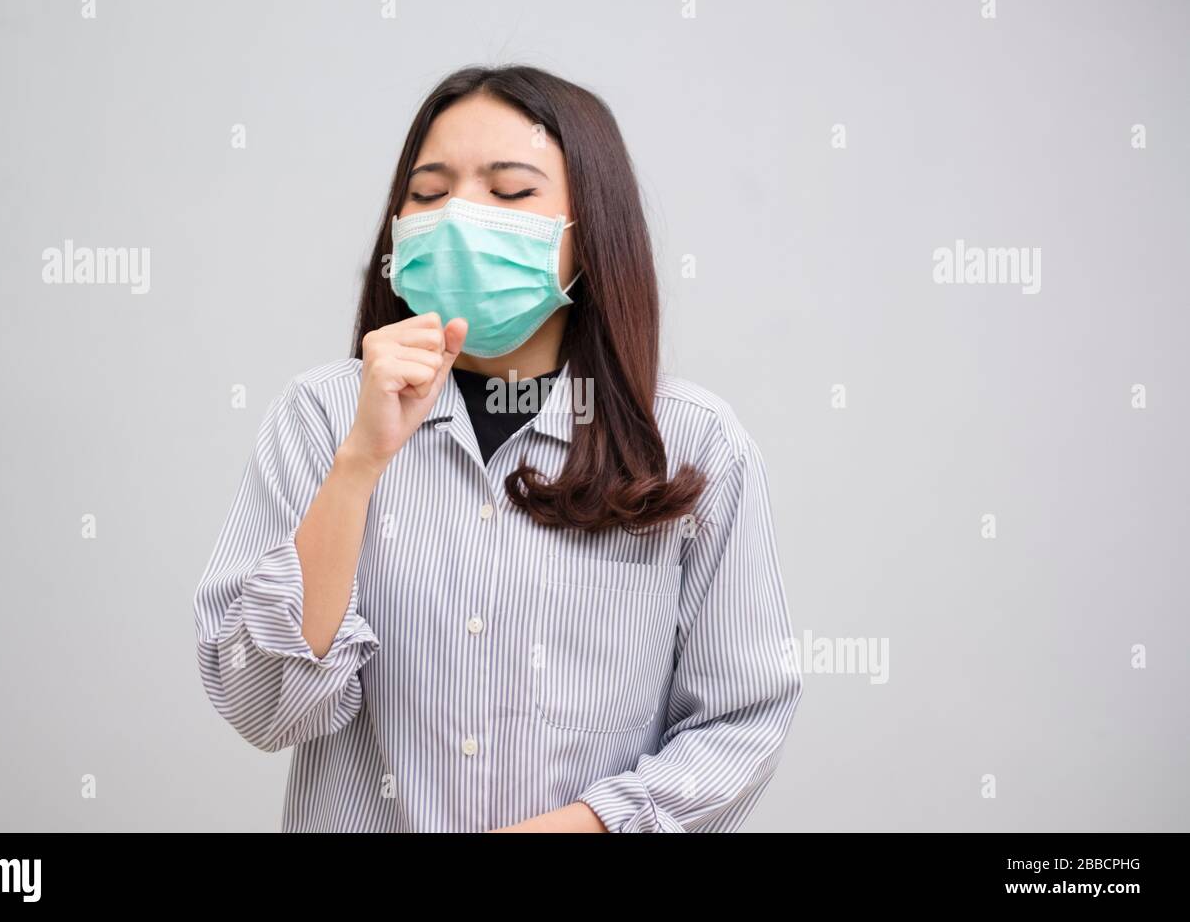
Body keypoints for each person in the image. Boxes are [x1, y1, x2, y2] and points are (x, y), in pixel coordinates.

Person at [193, 65, 803, 832]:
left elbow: (743, 722)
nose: (458, 218)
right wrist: (358, 468)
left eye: (510, 193)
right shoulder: (320, 417)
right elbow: (262, 703)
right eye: (428, 192)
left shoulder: (693, 443)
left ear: (592, 233)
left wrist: (587, 825)